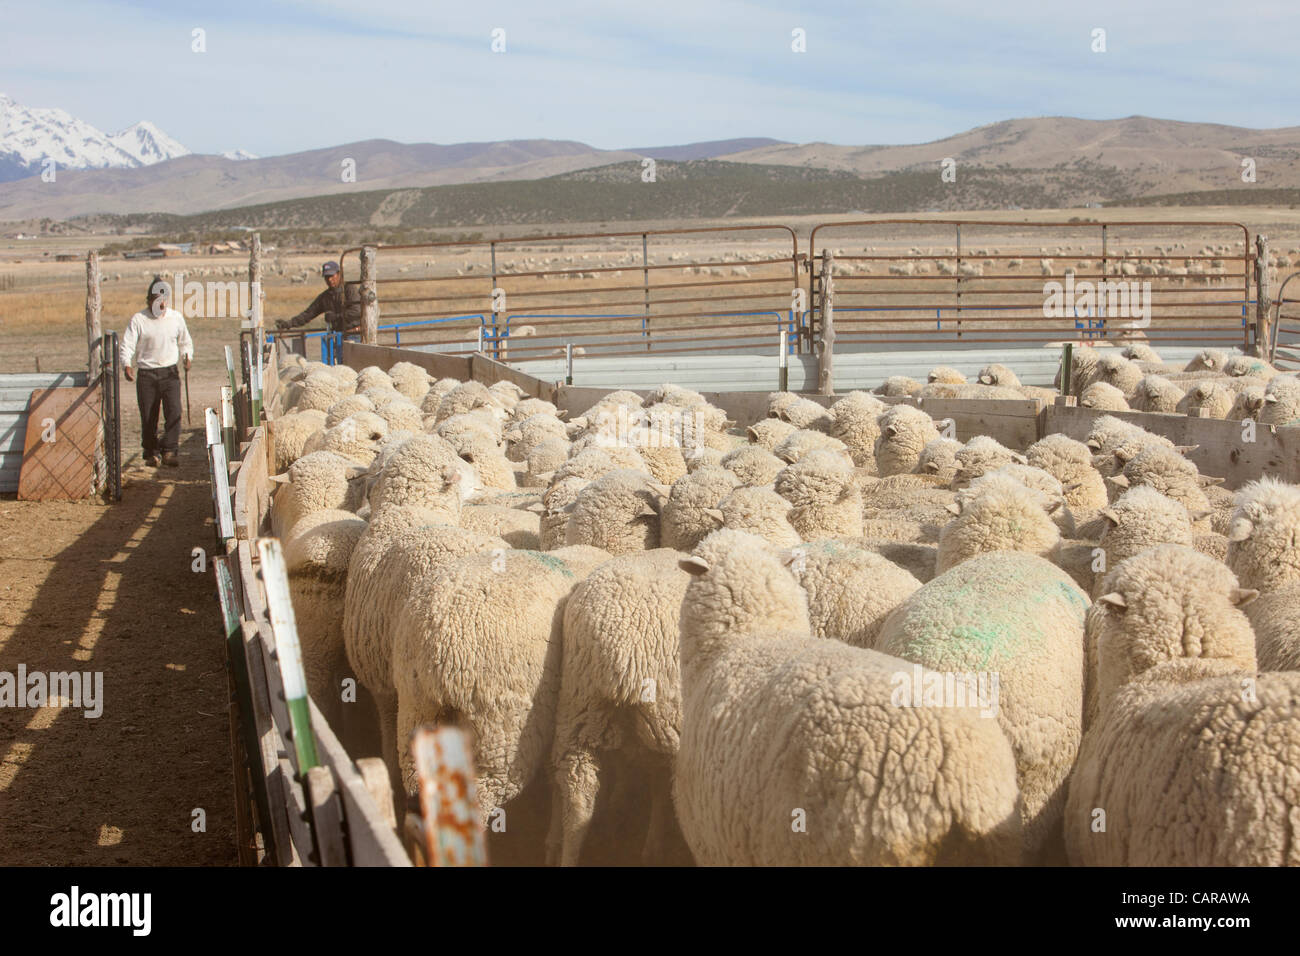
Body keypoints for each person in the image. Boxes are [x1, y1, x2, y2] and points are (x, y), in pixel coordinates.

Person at [121, 276, 194, 468]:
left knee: (174, 411)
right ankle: (151, 452)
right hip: (147, 374)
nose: (160, 304)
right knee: (148, 414)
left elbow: (185, 341)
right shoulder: (139, 319)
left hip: (170, 372)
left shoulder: (175, 318)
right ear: (149, 300)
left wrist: (188, 356)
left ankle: (169, 450)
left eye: (163, 300)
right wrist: (126, 364)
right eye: (156, 300)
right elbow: (128, 344)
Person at [276, 260, 362, 335]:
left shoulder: (350, 289)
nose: (329, 280)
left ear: (339, 274)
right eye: (327, 277)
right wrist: (288, 324)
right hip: (339, 335)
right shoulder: (325, 297)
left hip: (355, 333)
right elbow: (308, 314)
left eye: (332, 276)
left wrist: (336, 317)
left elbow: (357, 311)